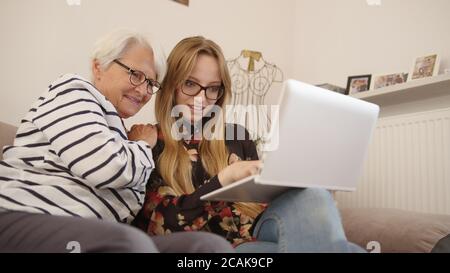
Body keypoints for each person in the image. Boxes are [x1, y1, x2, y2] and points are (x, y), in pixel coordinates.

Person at [0, 30, 233, 253]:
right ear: (98, 67)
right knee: (129, 243)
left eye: (151, 84)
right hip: (25, 215)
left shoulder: (121, 135)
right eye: (136, 75)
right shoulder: (72, 91)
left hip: (92, 233)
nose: (143, 90)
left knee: (209, 248)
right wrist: (142, 144)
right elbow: (105, 168)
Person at [132, 36, 365, 252]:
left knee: (313, 196)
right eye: (191, 84)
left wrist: (295, 177)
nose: (201, 99)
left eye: (213, 88)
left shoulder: (236, 136)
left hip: (261, 229)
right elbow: (161, 227)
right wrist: (226, 178)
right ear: (171, 84)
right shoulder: (150, 143)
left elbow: (266, 204)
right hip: (219, 247)